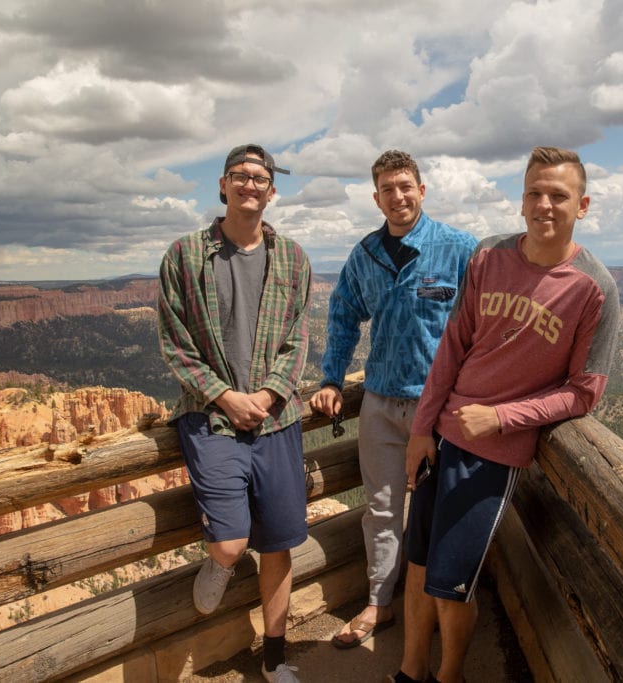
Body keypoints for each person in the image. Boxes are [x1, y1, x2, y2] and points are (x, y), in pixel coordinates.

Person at [388, 146, 621, 683]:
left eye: (558, 195)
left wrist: (502, 418)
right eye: (534, 193)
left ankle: (448, 677)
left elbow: (585, 393)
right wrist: (422, 429)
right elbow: (454, 343)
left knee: (451, 585)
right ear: (521, 201)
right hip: (440, 440)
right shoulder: (489, 257)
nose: (544, 204)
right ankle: (409, 673)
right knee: (419, 569)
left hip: (491, 457)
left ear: (581, 206)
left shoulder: (594, 288)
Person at [310, 150, 478, 649]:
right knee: (382, 511)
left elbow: (484, 326)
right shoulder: (366, 256)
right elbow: (342, 316)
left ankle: (440, 604)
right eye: (387, 188)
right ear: (376, 197)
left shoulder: (458, 248)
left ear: (421, 191)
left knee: (440, 513)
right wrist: (331, 380)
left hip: (442, 408)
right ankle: (381, 603)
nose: (398, 196)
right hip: (381, 404)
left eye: (406, 186)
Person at [157, 144, 311, 683]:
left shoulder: (292, 257)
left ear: (272, 191)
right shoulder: (184, 254)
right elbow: (176, 344)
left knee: (278, 544)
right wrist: (226, 395)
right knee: (230, 540)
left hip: (278, 420)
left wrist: (268, 396)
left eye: (260, 178)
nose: (250, 185)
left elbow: (297, 339)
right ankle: (220, 560)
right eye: (240, 176)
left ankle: (275, 653)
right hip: (211, 416)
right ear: (222, 186)